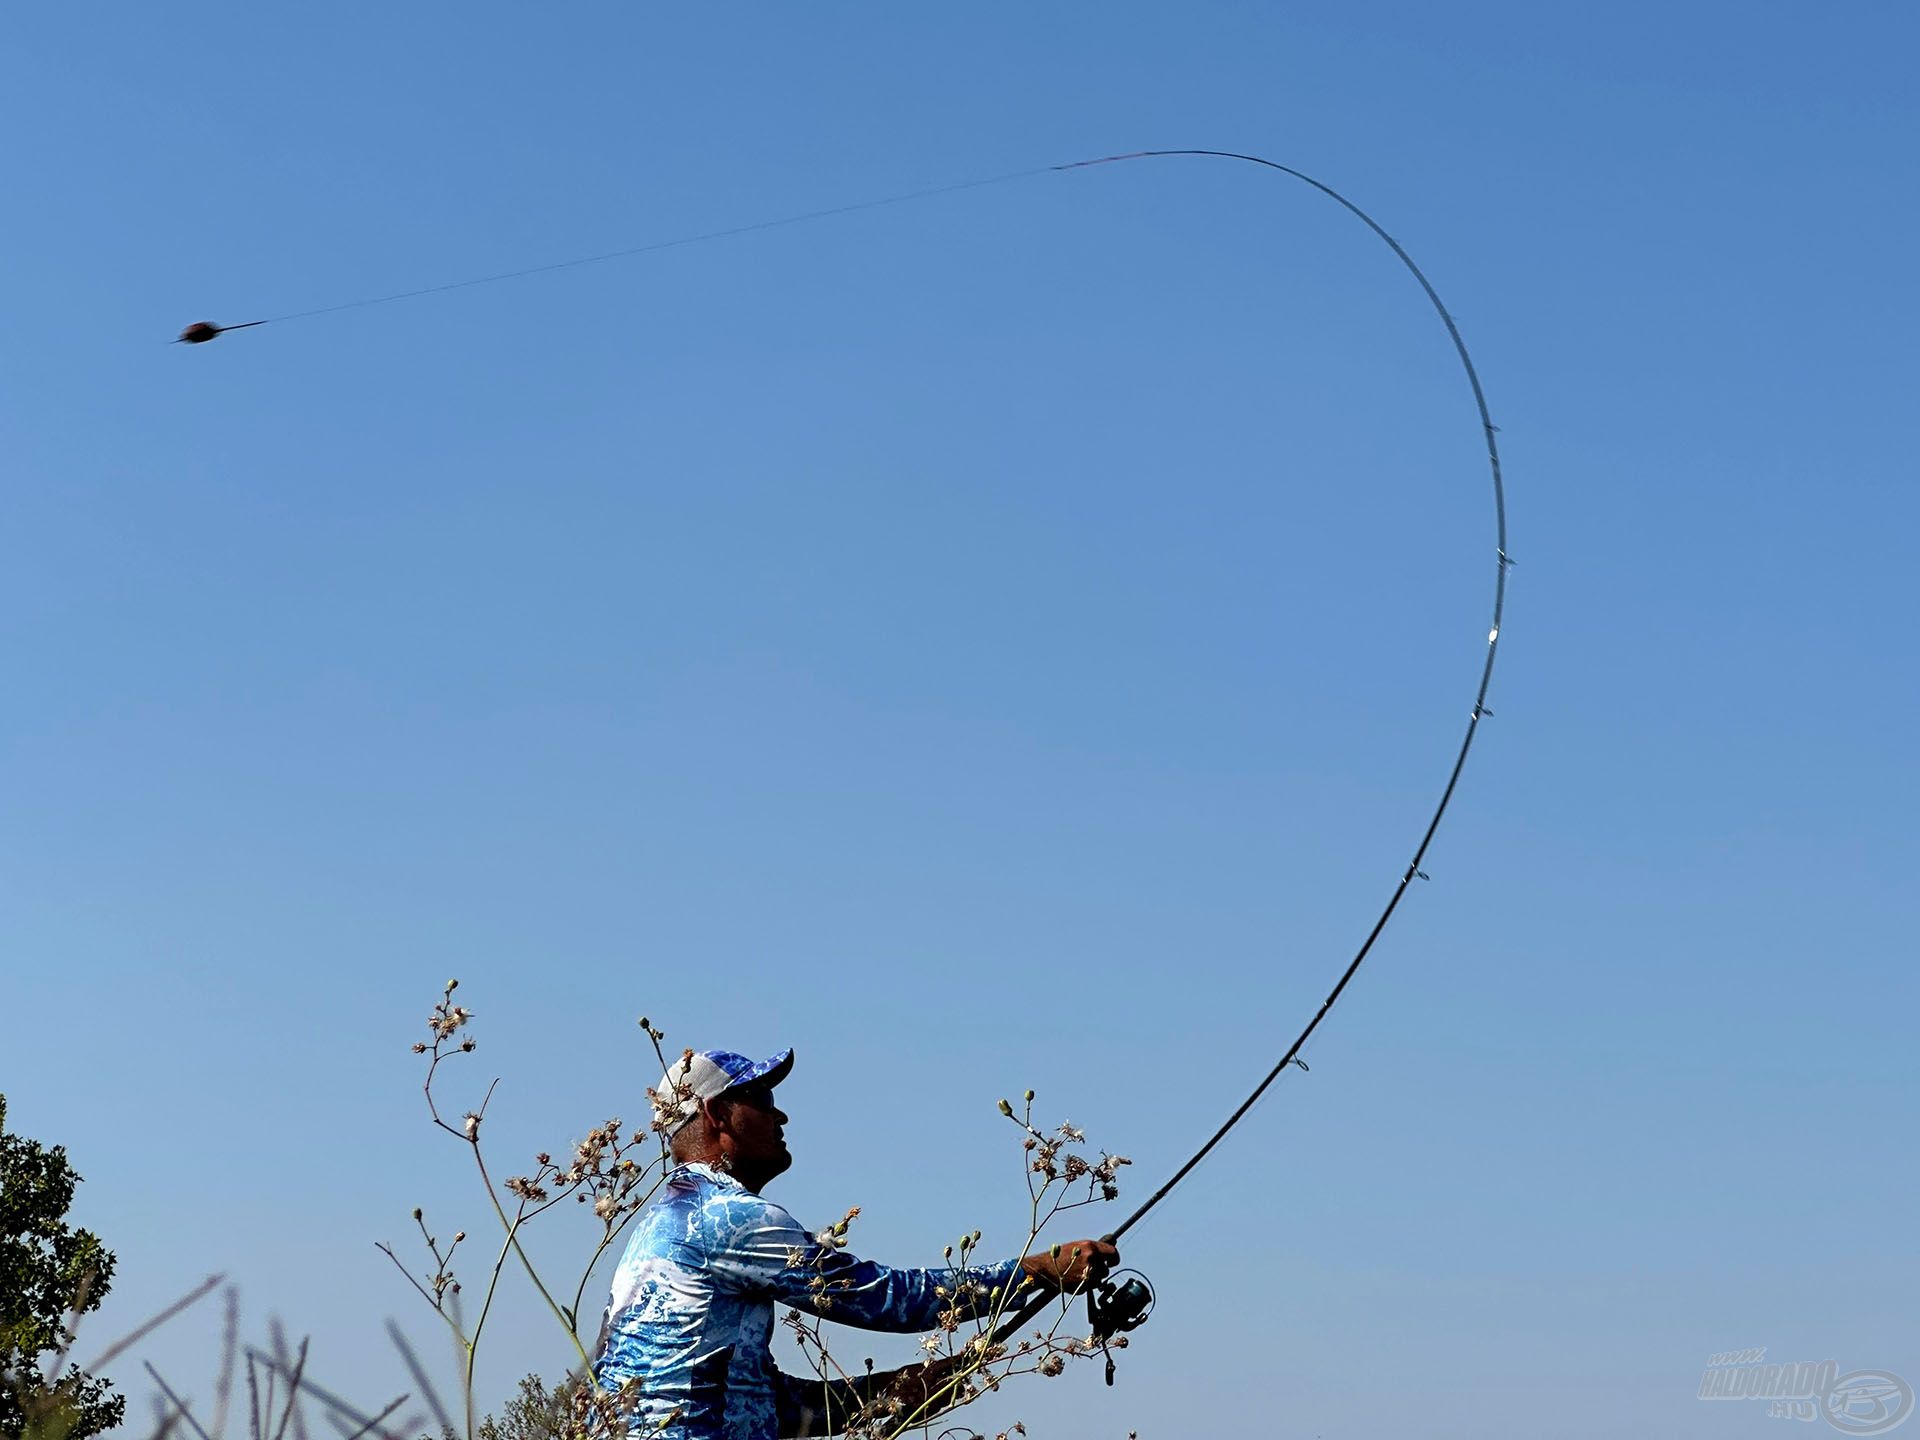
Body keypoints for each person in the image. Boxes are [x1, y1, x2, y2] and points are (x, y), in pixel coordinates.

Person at [592, 1047, 1118, 1439]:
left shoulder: (664, 1225)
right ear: (716, 1115)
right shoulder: (726, 1218)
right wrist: (1037, 1270)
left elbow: (764, 1404)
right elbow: (883, 1298)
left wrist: (889, 1396)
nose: (780, 1116)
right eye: (761, 1099)